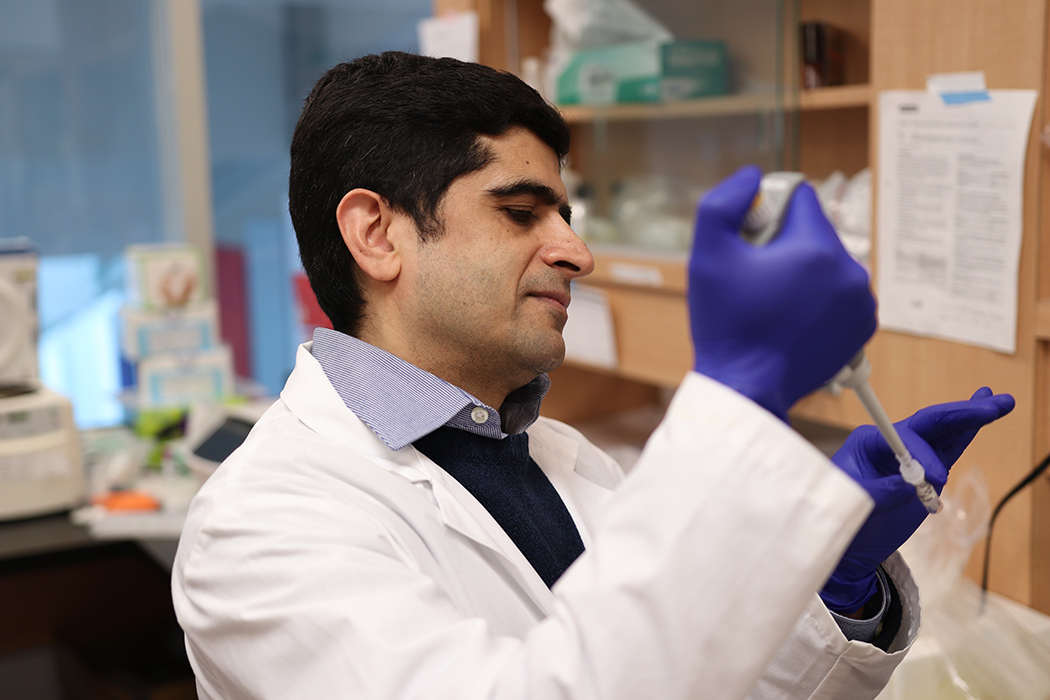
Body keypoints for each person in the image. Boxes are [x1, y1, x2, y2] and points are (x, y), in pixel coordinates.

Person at [172, 52, 1014, 700]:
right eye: (520, 211)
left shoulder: (560, 459)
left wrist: (839, 582)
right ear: (377, 234)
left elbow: (681, 675)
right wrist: (737, 398)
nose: (576, 251)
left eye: (565, 217)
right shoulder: (259, 529)